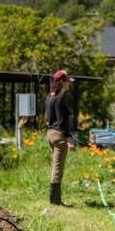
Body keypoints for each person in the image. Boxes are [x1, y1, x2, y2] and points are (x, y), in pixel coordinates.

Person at [46, 69, 77, 205]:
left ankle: (55, 198)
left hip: (50, 133)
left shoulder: (50, 97)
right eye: (68, 82)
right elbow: (62, 120)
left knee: (55, 165)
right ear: (62, 82)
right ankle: (55, 200)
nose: (69, 84)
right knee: (58, 167)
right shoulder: (60, 98)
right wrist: (69, 137)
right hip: (59, 135)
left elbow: (48, 118)